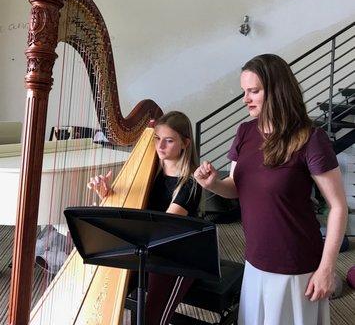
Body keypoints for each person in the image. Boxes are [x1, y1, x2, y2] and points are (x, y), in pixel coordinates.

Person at [194, 54, 348, 325]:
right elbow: (236, 188)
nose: (246, 99)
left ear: (277, 91)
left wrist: (326, 269)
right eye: (244, 91)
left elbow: (337, 207)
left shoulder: (311, 138)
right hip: (255, 258)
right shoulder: (244, 132)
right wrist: (213, 184)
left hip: (296, 262)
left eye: (254, 91)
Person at [88, 111, 202, 325]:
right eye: (157, 139)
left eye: (169, 141)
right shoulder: (151, 170)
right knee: (104, 290)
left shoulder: (190, 182)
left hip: (178, 255)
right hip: (147, 247)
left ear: (185, 143)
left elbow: (162, 227)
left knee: (152, 320)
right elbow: (132, 207)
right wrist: (107, 194)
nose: (160, 146)